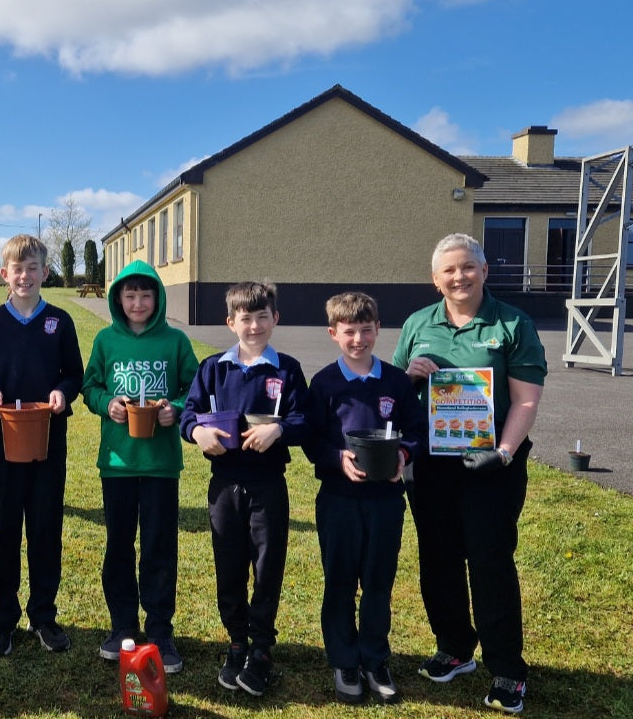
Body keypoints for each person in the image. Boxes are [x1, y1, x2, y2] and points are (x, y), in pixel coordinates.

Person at [392, 233, 546, 715]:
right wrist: (411, 377)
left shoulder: (512, 323)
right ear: (435, 279)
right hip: (430, 465)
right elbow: (394, 393)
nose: (459, 277)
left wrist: (503, 452)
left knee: (489, 560)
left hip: (491, 465)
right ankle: (454, 647)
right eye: (448, 271)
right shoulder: (419, 323)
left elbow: (525, 399)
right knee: (438, 557)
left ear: (484, 270)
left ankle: (506, 669)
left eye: (468, 267)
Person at [179, 281, 312, 697]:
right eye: (244, 318)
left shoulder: (286, 369)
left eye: (261, 317)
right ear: (230, 322)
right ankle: (236, 641)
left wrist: (278, 429)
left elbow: (305, 420)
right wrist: (198, 431)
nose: (253, 325)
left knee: (267, 564)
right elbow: (188, 414)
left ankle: (262, 648)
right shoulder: (213, 367)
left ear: (275, 319)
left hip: (268, 484)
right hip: (224, 486)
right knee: (229, 564)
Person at [302, 292, 427, 705]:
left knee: (378, 581)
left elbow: (415, 428)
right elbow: (311, 438)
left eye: (366, 330)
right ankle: (343, 659)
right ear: (333, 333)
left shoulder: (394, 381)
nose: (358, 339)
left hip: (387, 499)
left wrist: (404, 454)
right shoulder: (323, 383)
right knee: (340, 580)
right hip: (339, 499)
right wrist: (337, 458)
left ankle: (375, 658)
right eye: (349, 331)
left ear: (378, 330)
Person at [81, 260, 198, 673]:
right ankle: (123, 626)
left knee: (159, 547)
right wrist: (106, 403)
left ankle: (161, 630)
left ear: (158, 298)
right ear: (117, 299)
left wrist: (176, 408)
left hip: (161, 464)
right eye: (129, 295)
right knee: (119, 546)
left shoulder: (175, 341)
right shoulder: (105, 340)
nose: (137, 302)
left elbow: (194, 388)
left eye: (145, 295)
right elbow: (90, 386)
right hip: (118, 463)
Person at [0, 234, 84, 657]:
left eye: (33, 268)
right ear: (5, 274)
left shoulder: (60, 320)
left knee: (44, 526)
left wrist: (62, 392)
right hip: (4, 439)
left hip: (48, 439)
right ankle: (3, 620)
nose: (25, 276)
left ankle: (43, 615)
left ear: (45, 273)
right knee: (5, 528)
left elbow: (73, 373)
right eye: (17, 269)